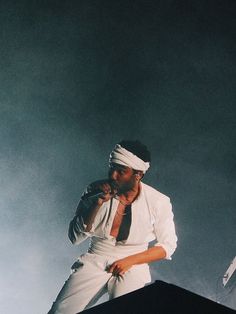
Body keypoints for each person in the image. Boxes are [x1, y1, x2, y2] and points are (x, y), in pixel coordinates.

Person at [48, 140, 177, 314]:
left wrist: (129, 261)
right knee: (59, 311)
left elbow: (168, 246)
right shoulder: (94, 190)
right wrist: (97, 203)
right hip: (96, 257)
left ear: (137, 174)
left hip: (133, 263)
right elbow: (74, 238)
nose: (113, 175)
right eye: (112, 168)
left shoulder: (158, 201)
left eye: (121, 171)